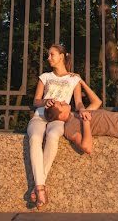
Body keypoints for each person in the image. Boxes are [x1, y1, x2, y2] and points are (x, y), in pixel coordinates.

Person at [26, 43, 86, 209]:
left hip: (59, 118)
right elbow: (36, 100)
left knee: (53, 136)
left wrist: (83, 111)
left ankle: (37, 186)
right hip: (40, 115)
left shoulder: (74, 79)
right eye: (48, 55)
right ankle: (40, 188)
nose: (49, 58)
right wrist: (45, 101)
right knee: (36, 138)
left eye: (52, 54)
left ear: (62, 56)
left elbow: (79, 102)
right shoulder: (44, 76)